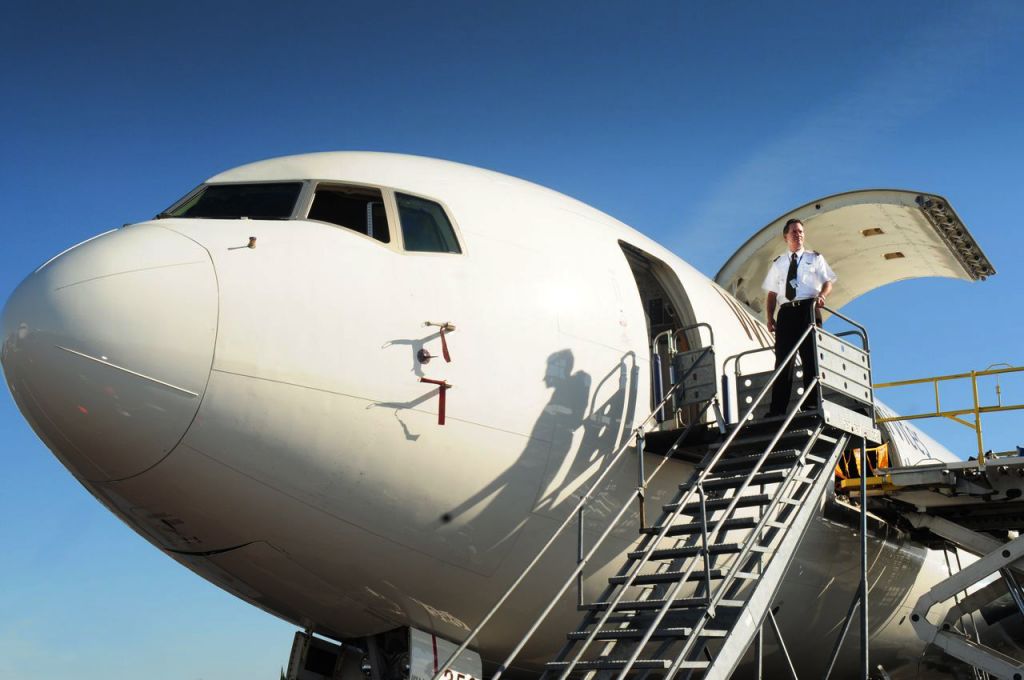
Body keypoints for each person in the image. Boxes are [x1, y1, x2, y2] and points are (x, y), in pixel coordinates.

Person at [762, 218, 836, 417]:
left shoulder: (815, 258)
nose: (799, 234)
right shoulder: (779, 263)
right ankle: (777, 410)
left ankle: (811, 405)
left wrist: (823, 295)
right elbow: (771, 293)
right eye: (794, 231)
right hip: (786, 312)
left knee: (810, 357)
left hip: (808, 309)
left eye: (801, 231)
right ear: (786, 236)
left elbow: (828, 282)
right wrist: (770, 317)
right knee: (783, 361)